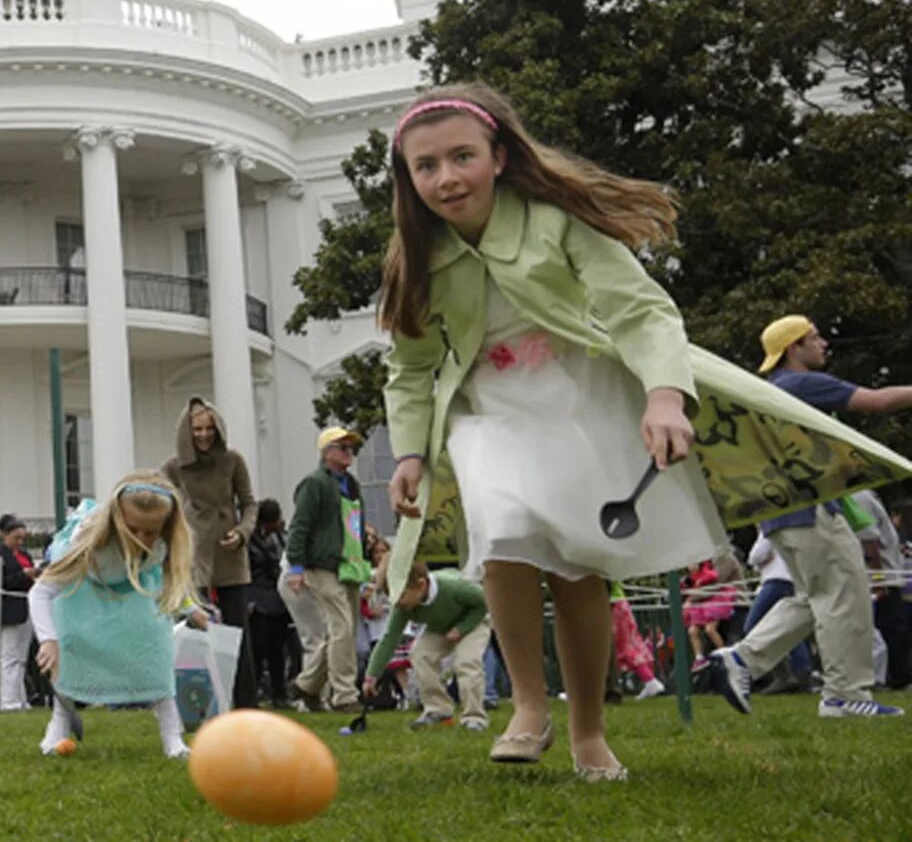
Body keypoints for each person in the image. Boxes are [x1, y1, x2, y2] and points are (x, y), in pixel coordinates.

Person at [378, 86, 912, 781]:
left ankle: (588, 732)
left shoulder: (555, 220)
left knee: (577, 568)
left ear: (500, 157)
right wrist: (411, 451)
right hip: (489, 413)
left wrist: (664, 396)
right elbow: (410, 367)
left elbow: (640, 312)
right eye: (426, 167)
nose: (447, 178)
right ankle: (528, 707)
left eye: (462, 157)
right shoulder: (416, 257)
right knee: (503, 533)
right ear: (408, 179)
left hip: (577, 404)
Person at [710, 316, 912, 718]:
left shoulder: (768, 391)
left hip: (782, 514)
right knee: (845, 594)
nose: (824, 344)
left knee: (812, 597)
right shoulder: (800, 385)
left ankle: (742, 661)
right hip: (811, 509)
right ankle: (845, 694)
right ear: (792, 349)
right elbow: (877, 401)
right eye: (814, 338)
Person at [29, 471, 208, 758]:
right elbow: (40, 592)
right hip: (84, 594)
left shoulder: (162, 547)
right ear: (115, 518)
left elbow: (170, 581)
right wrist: (49, 640)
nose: (140, 539)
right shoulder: (86, 544)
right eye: (132, 529)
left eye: (150, 532)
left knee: (157, 649)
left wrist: (192, 610)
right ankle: (58, 726)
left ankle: (173, 739)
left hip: (134, 591)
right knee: (71, 648)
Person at [162, 397, 260, 709]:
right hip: (193, 555)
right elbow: (162, 507)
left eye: (209, 429)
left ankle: (246, 705)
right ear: (186, 432)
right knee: (193, 631)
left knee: (237, 632)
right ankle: (197, 706)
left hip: (231, 554)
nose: (204, 435)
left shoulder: (232, 460)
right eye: (197, 430)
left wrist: (243, 532)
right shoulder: (172, 467)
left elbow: (249, 503)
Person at [284, 426, 371, 714]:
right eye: (343, 447)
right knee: (342, 627)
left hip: (350, 565)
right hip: (321, 565)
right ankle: (344, 694)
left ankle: (306, 685)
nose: (349, 453)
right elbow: (300, 526)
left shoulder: (351, 484)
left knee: (342, 631)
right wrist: (296, 567)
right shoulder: (314, 483)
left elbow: (355, 525)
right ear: (327, 452)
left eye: (351, 448)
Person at [363, 563, 491, 731]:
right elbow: (389, 638)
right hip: (441, 627)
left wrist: (462, 628)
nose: (397, 602)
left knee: (467, 662)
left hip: (474, 623)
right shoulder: (403, 606)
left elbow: (484, 603)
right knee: (420, 655)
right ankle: (438, 709)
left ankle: (474, 717)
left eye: (401, 596)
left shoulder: (454, 587)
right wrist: (372, 675)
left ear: (421, 585)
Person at [743, 533, 813, 695]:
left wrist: (759, 560)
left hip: (775, 581)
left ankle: (784, 675)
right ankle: (802, 672)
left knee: (754, 627)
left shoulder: (768, 526)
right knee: (787, 626)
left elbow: (755, 557)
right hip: (788, 580)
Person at [854, 489, 910, 690]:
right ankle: (895, 677)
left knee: (892, 627)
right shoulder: (860, 497)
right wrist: (878, 579)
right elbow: (869, 540)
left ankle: (895, 676)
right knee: (890, 629)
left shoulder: (867, 495)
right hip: (882, 575)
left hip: (888, 574)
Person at [0, 513, 40, 711]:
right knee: (8, 655)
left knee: (21, 657)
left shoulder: (24, 555)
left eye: (22, 538)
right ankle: (8, 700)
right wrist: (22, 575)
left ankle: (20, 697)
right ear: (4, 535)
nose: (20, 542)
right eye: (16, 537)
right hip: (9, 608)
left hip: (26, 607)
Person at [245, 499, 293, 708]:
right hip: (258, 598)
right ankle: (252, 693)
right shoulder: (249, 540)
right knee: (257, 649)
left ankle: (279, 693)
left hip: (277, 597)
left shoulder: (281, 537)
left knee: (277, 651)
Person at [608, 582, 665, 700]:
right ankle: (650, 681)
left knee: (623, 649)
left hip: (612, 605)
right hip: (618, 604)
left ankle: (650, 681)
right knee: (625, 647)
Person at [683, 559, 735, 670]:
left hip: (714, 603)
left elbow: (712, 578)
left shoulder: (706, 572)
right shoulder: (690, 579)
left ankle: (725, 656)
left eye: (694, 564)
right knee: (692, 631)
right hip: (701, 606)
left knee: (710, 630)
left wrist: (699, 585)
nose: (691, 567)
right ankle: (699, 658)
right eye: (689, 565)